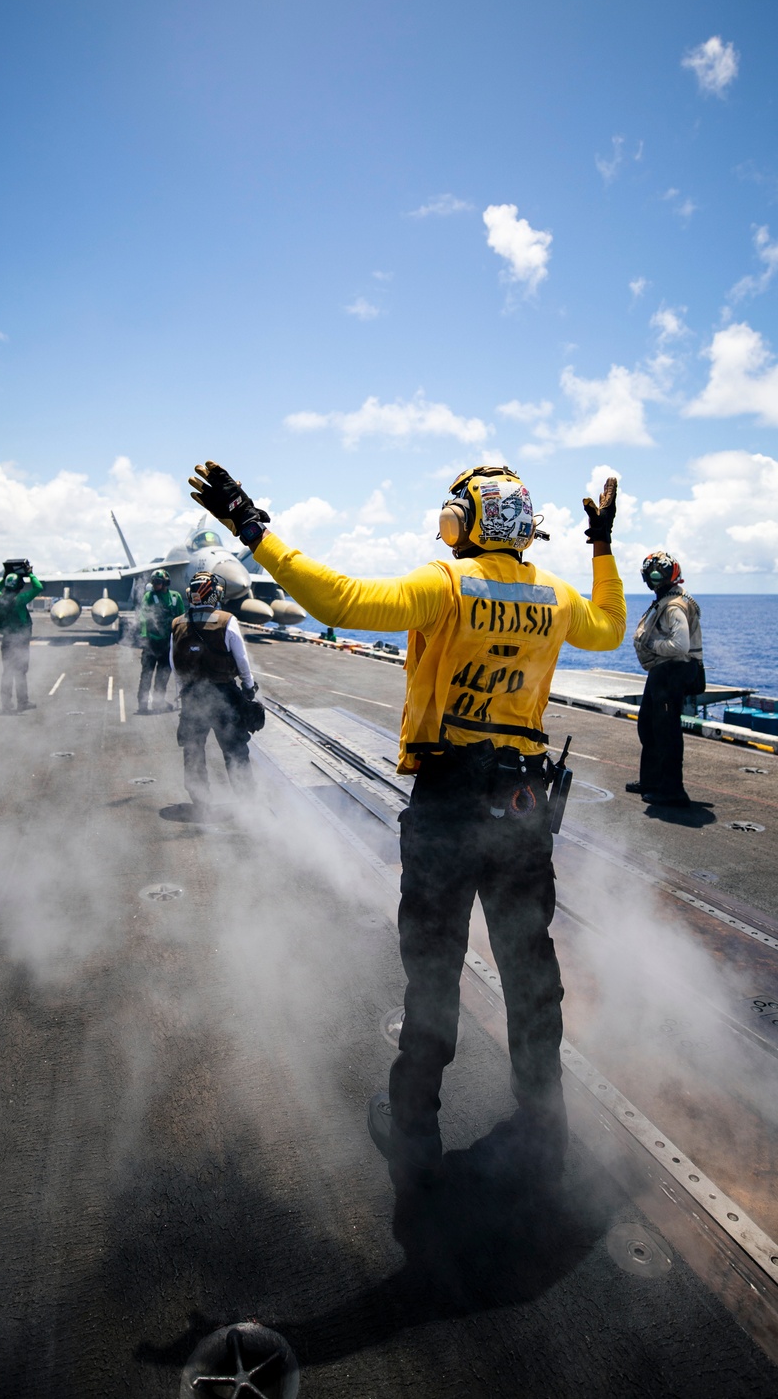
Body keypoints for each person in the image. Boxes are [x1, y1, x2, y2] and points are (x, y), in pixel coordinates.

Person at [189, 459, 625, 1187]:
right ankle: (544, 1124)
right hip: (523, 808)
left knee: (434, 969)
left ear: (465, 521)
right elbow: (610, 628)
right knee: (530, 969)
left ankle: (416, 1128)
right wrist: (603, 544)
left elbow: (343, 599)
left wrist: (252, 529)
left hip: (451, 800)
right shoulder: (555, 596)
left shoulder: (446, 584)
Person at [169, 571, 259, 813]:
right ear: (212, 593)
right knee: (235, 749)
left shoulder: (177, 623)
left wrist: (182, 694)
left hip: (192, 697)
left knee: (193, 749)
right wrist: (248, 687)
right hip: (224, 698)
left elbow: (174, 663)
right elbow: (241, 659)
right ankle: (247, 802)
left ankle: (200, 800)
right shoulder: (226, 620)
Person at [627, 551, 704, 808]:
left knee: (666, 731)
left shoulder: (673, 606)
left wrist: (652, 643)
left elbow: (680, 645)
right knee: (649, 726)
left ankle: (672, 791)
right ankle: (650, 781)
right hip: (662, 673)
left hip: (673, 672)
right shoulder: (669, 599)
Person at [0, 563, 44, 714]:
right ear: (19, 586)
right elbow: (38, 587)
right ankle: (23, 702)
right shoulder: (20, 600)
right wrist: (30, 574)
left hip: (7, 640)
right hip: (20, 641)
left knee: (7, 672)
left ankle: (6, 705)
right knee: (20, 672)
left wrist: (4, 577)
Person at [136, 568, 185, 713]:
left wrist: (181, 639)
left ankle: (158, 703)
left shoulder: (176, 597)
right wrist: (144, 636)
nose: (155, 585)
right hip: (151, 643)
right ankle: (143, 705)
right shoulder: (149, 597)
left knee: (162, 677)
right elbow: (143, 615)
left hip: (168, 644)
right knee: (146, 675)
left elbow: (181, 619)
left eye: (158, 582)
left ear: (165, 583)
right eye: (154, 582)